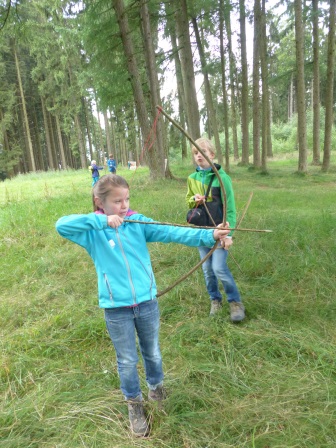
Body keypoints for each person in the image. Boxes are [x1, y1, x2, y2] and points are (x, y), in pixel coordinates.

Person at [55, 174, 230, 437]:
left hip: (147, 302)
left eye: (126, 199)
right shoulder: (93, 233)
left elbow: (172, 231)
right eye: (117, 201)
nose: (124, 206)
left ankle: (156, 387)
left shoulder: (137, 223)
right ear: (99, 202)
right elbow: (61, 225)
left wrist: (211, 234)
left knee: (153, 352)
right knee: (126, 360)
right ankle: (134, 404)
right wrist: (102, 220)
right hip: (116, 307)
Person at [186, 137, 245, 323]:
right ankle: (215, 300)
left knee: (218, 267)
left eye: (202, 152)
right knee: (207, 269)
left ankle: (235, 301)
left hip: (220, 231)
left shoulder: (222, 178)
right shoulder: (192, 178)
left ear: (212, 154)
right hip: (202, 231)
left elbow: (231, 209)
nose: (199, 156)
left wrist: (229, 235)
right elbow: (188, 200)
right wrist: (195, 200)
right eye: (195, 153)